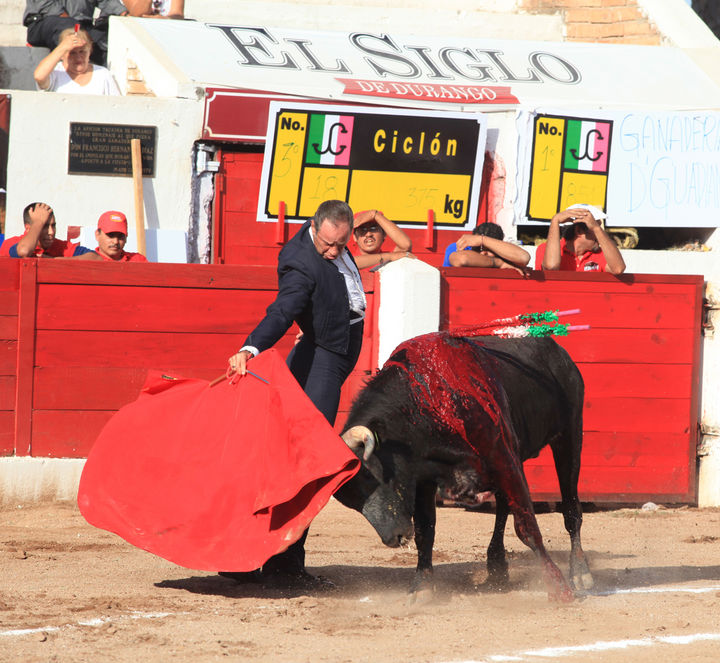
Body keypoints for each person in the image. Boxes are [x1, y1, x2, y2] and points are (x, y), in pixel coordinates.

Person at [224, 200, 365, 587]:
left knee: (294, 450)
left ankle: (267, 557)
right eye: (328, 245)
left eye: (341, 244)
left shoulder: (328, 235)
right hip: (326, 356)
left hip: (324, 348)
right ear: (315, 228)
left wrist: (316, 320)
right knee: (309, 456)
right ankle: (279, 561)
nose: (334, 252)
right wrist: (251, 348)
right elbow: (284, 309)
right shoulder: (300, 261)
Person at [23, 0, 128, 67]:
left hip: (83, 25)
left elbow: (106, 1)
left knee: (107, 41)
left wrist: (124, 14)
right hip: (46, 22)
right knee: (69, 28)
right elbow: (48, 6)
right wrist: (77, 29)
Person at [534, 204, 626, 274]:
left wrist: (596, 229)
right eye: (595, 227)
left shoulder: (601, 253)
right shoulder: (544, 249)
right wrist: (555, 221)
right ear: (579, 231)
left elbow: (618, 269)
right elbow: (551, 267)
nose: (600, 235)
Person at [34, 27, 120, 95]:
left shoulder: (102, 74)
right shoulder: (56, 73)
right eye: (72, 53)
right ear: (62, 54)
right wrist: (63, 47)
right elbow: (39, 76)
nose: (78, 58)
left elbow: (116, 105)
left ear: (90, 51)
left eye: (82, 52)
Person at [0, 202, 100, 259]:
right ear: (28, 228)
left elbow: (96, 258)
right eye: (44, 226)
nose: (51, 232)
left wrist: (55, 261)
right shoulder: (10, 243)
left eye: (53, 225)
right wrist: (38, 222)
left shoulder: (61, 246)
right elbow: (24, 251)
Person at [443, 222, 531, 275]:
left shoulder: (502, 254)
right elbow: (462, 259)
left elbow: (524, 257)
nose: (483, 253)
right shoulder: (461, 247)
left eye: (489, 250)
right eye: (478, 248)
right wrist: (499, 263)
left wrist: (482, 240)